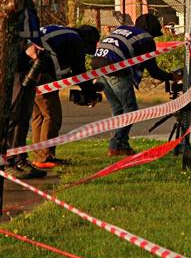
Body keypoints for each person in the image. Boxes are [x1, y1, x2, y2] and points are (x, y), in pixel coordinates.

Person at [91, 14, 179, 156]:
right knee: (131, 110)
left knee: (118, 110)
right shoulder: (146, 39)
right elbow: (153, 71)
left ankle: (122, 145)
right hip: (116, 68)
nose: (154, 38)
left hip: (98, 65)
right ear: (151, 30)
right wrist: (171, 76)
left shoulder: (123, 29)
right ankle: (115, 145)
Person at [30, 25, 101, 169]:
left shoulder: (62, 33)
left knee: (39, 116)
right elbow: (79, 71)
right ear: (88, 40)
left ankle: (40, 155)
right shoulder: (76, 40)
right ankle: (44, 157)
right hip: (41, 73)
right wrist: (90, 93)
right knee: (52, 116)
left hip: (29, 72)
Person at [5, 0, 46, 179]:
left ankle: (19, 158)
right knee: (12, 114)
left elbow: (33, 32)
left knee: (24, 114)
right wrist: (25, 46)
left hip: (28, 66)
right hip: (12, 67)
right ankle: (7, 161)